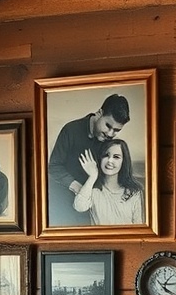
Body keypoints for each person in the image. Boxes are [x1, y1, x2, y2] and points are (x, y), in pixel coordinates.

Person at [48, 93, 131, 225]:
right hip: (60, 203)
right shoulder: (71, 130)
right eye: (108, 126)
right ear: (99, 113)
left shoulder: (110, 143)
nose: (110, 134)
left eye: (116, 130)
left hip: (90, 207)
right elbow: (54, 167)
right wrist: (78, 188)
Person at [73, 139, 144, 225]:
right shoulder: (93, 190)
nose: (110, 161)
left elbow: (139, 227)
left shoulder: (134, 192)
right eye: (106, 155)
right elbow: (79, 207)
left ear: (123, 161)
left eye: (116, 157)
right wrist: (92, 176)